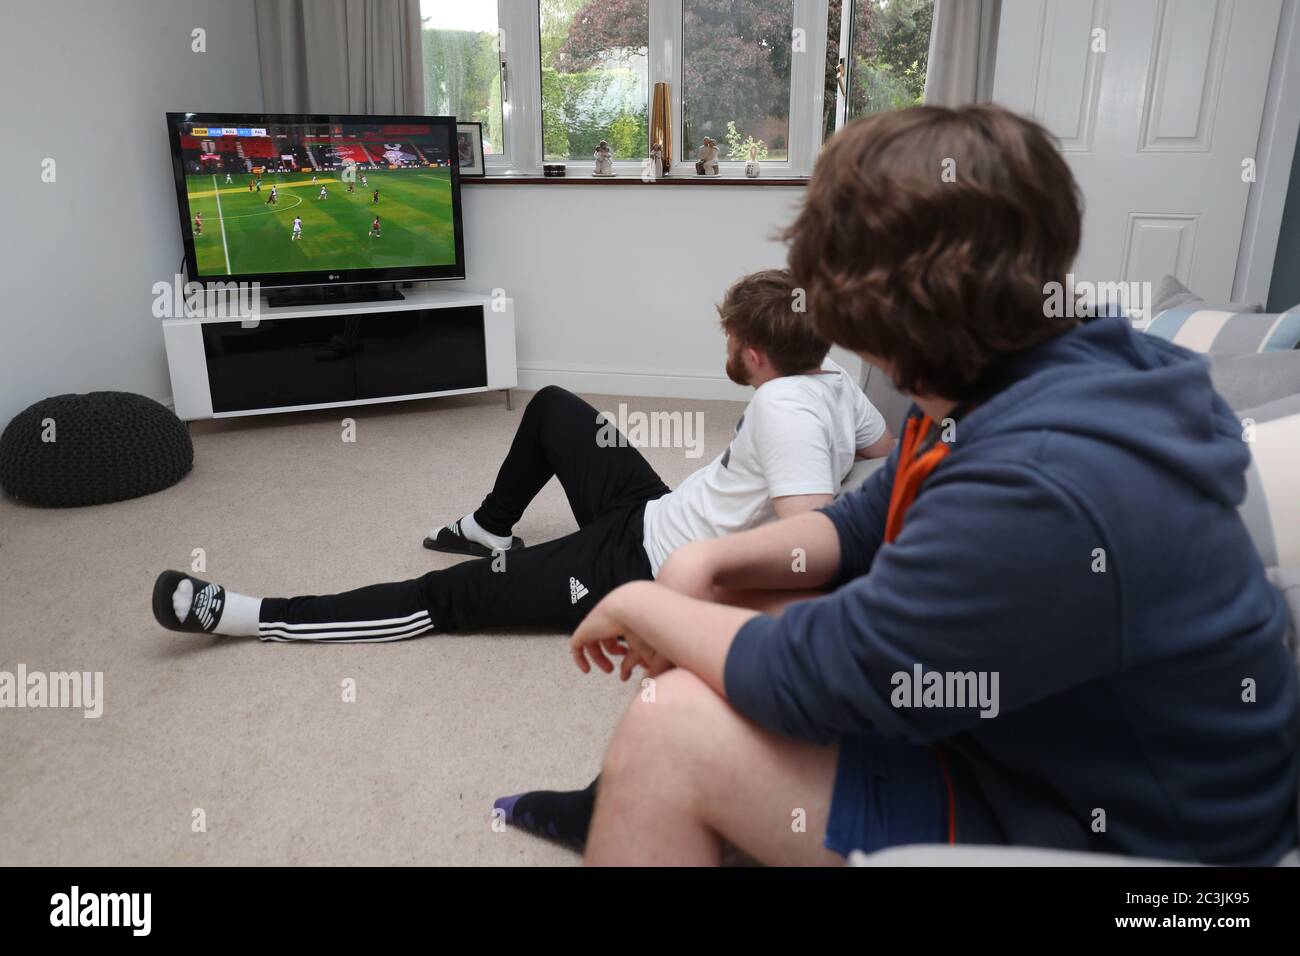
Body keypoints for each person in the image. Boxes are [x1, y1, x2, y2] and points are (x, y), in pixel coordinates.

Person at [556, 105, 1299, 866]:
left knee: (666, 732)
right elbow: (854, 530)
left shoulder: (1042, 482)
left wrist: (638, 597)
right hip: (1036, 752)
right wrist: (705, 566)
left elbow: (815, 678)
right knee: (721, 610)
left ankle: (657, 800)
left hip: (1142, 847)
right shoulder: (1008, 368)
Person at [150, 269, 893, 646]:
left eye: (731, 340)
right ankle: (489, 523)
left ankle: (254, 617)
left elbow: (809, 547)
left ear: (755, 355)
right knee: (553, 406)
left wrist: (703, 596)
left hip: (635, 565)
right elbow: (881, 460)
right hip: (655, 511)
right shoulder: (836, 382)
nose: (725, 348)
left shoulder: (781, 405)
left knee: (447, 599)